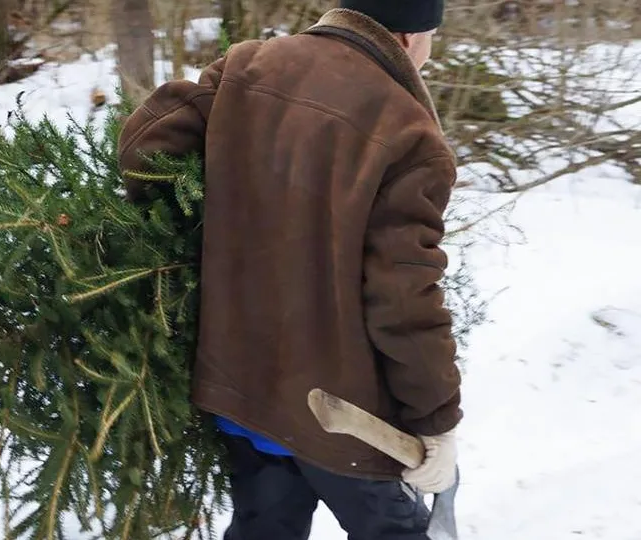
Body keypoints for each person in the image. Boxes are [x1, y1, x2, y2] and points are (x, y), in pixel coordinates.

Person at [116, 1, 462, 538]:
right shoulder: (410, 132)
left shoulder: (250, 64)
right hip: (345, 418)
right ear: (408, 36)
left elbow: (145, 148)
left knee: (264, 529)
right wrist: (434, 421)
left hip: (242, 385)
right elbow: (404, 299)